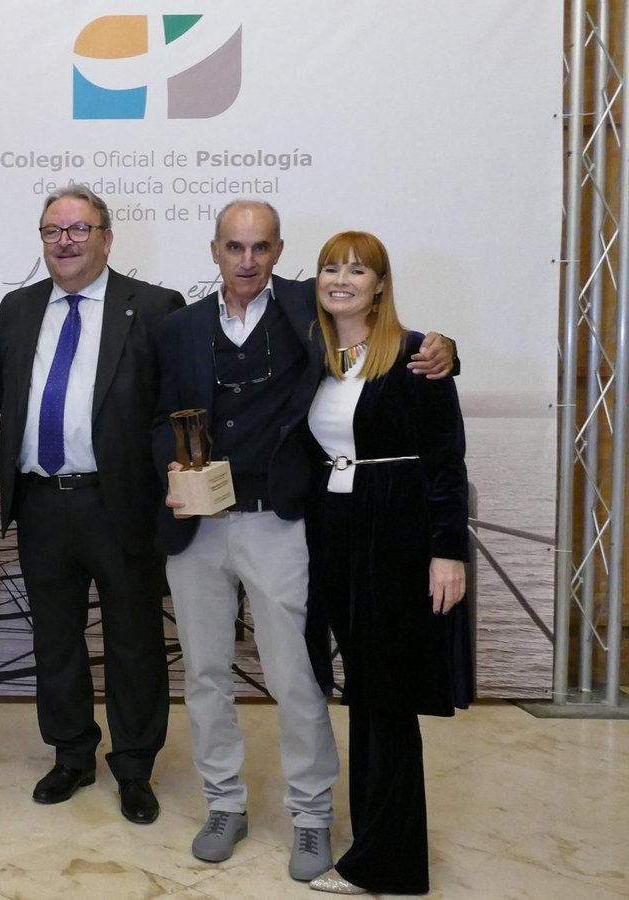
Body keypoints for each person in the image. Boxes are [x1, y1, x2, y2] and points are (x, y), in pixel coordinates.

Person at [152, 200, 456, 881]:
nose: (247, 260)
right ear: (214, 250)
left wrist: (444, 349)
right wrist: (169, 468)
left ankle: (311, 814)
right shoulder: (179, 327)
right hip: (197, 527)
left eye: (260, 247)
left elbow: (386, 335)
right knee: (204, 674)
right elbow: (156, 415)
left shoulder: (309, 309)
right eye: (234, 247)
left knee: (295, 675)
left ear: (279, 251)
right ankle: (224, 805)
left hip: (278, 522)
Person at [0, 186, 179, 823]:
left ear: (106, 237)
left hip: (119, 502)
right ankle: (71, 754)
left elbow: (169, 407)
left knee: (134, 639)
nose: (64, 241)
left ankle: (134, 766)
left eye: (78, 229)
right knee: (56, 639)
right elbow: (7, 394)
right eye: (52, 231)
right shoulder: (17, 309)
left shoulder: (153, 307)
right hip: (42, 500)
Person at [301, 232, 470, 896]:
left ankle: (388, 864)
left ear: (379, 284)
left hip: (397, 535)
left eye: (357, 269)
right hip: (335, 532)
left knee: (388, 696)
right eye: (330, 267)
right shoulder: (315, 355)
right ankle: (373, 842)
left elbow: (447, 461)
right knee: (364, 691)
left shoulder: (416, 354)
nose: (341, 279)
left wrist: (447, 551)